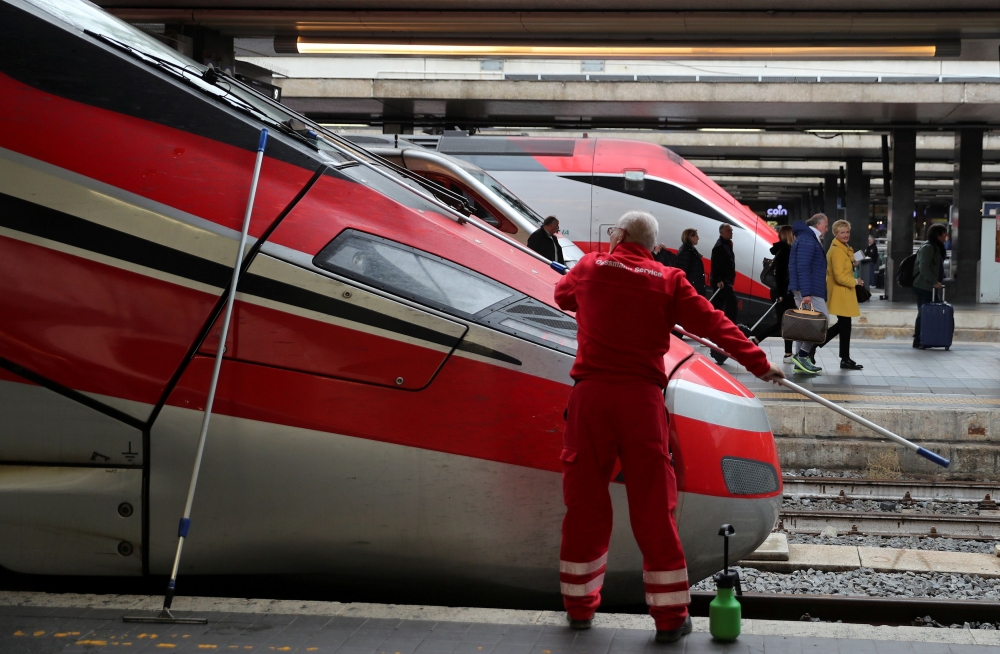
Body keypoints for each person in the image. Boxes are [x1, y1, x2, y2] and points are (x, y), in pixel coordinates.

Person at [553, 210, 784, 644]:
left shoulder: (587, 267)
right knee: (655, 508)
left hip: (591, 400)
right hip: (641, 404)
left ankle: (580, 609)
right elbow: (716, 325)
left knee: (584, 502)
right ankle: (670, 618)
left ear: (618, 235)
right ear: (655, 246)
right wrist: (760, 363)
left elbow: (562, 297)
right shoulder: (668, 280)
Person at [815, 220, 864, 370]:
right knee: (844, 326)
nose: (845, 235)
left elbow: (842, 269)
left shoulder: (843, 248)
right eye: (842, 232)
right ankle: (811, 349)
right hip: (840, 292)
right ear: (835, 233)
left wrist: (853, 263)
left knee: (843, 326)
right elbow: (839, 276)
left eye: (847, 232)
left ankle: (844, 358)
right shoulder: (837, 251)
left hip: (843, 292)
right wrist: (855, 281)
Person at [788, 213, 829, 375]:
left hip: (808, 288)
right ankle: (802, 355)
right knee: (822, 320)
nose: (827, 229)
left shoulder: (807, 237)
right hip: (810, 289)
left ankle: (800, 362)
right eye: (826, 226)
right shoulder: (807, 239)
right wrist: (806, 293)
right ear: (818, 225)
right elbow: (803, 268)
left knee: (804, 324)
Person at [749, 225, 796, 363]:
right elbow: (781, 275)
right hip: (782, 292)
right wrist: (782, 294)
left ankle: (756, 340)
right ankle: (787, 354)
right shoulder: (786, 251)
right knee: (787, 322)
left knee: (783, 322)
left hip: (779, 291)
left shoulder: (781, 251)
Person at [913, 223, 948, 349]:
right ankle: (918, 339)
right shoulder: (928, 248)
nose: (946, 237)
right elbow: (924, 268)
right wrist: (934, 281)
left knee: (926, 312)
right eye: (944, 234)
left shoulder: (936, 247)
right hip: (924, 286)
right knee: (924, 312)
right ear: (938, 235)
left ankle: (925, 337)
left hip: (929, 286)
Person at [710, 224, 738, 364]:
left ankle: (716, 330)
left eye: (731, 230)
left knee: (717, 308)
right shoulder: (720, 246)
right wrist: (718, 280)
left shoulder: (726, 244)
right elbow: (715, 265)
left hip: (725, 282)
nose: (731, 232)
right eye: (729, 230)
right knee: (732, 302)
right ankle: (730, 328)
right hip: (722, 283)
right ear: (722, 232)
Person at [676, 228, 707, 296]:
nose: (698, 238)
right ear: (691, 238)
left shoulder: (690, 250)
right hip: (692, 288)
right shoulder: (686, 251)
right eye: (696, 236)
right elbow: (683, 272)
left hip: (694, 287)